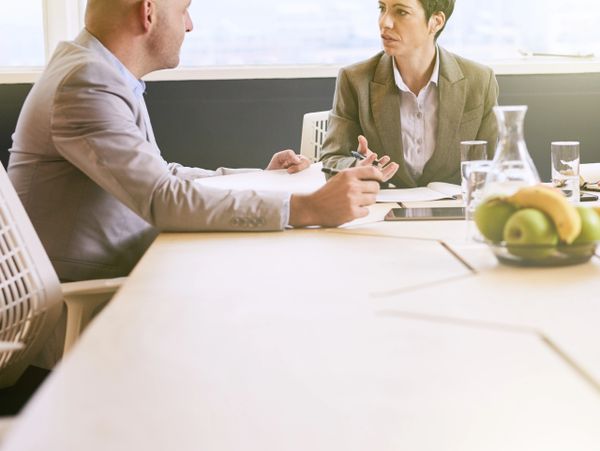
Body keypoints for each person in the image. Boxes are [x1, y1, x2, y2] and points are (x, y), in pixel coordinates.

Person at [8, 0, 385, 284]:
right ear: (149, 12)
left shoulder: (98, 71)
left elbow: (162, 175)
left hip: (121, 275)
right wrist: (307, 209)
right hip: (87, 300)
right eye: (184, 9)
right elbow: (162, 198)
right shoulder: (87, 83)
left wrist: (263, 178)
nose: (189, 25)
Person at [320, 0, 499, 188]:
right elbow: (331, 160)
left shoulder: (480, 80)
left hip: (454, 211)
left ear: (436, 22)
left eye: (401, 12)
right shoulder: (355, 79)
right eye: (382, 8)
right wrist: (357, 167)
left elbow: (494, 164)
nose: (385, 22)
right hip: (380, 211)